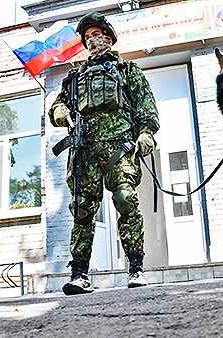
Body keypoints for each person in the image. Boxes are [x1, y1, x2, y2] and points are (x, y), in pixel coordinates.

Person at [48, 12, 159, 295]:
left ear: (108, 38)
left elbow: (146, 106)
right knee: (82, 210)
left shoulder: (128, 71)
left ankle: (136, 268)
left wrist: (146, 132)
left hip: (119, 148)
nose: (92, 40)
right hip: (85, 151)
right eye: (87, 37)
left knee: (125, 201)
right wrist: (59, 111)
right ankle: (80, 274)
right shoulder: (74, 78)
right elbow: (57, 107)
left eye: (96, 35)